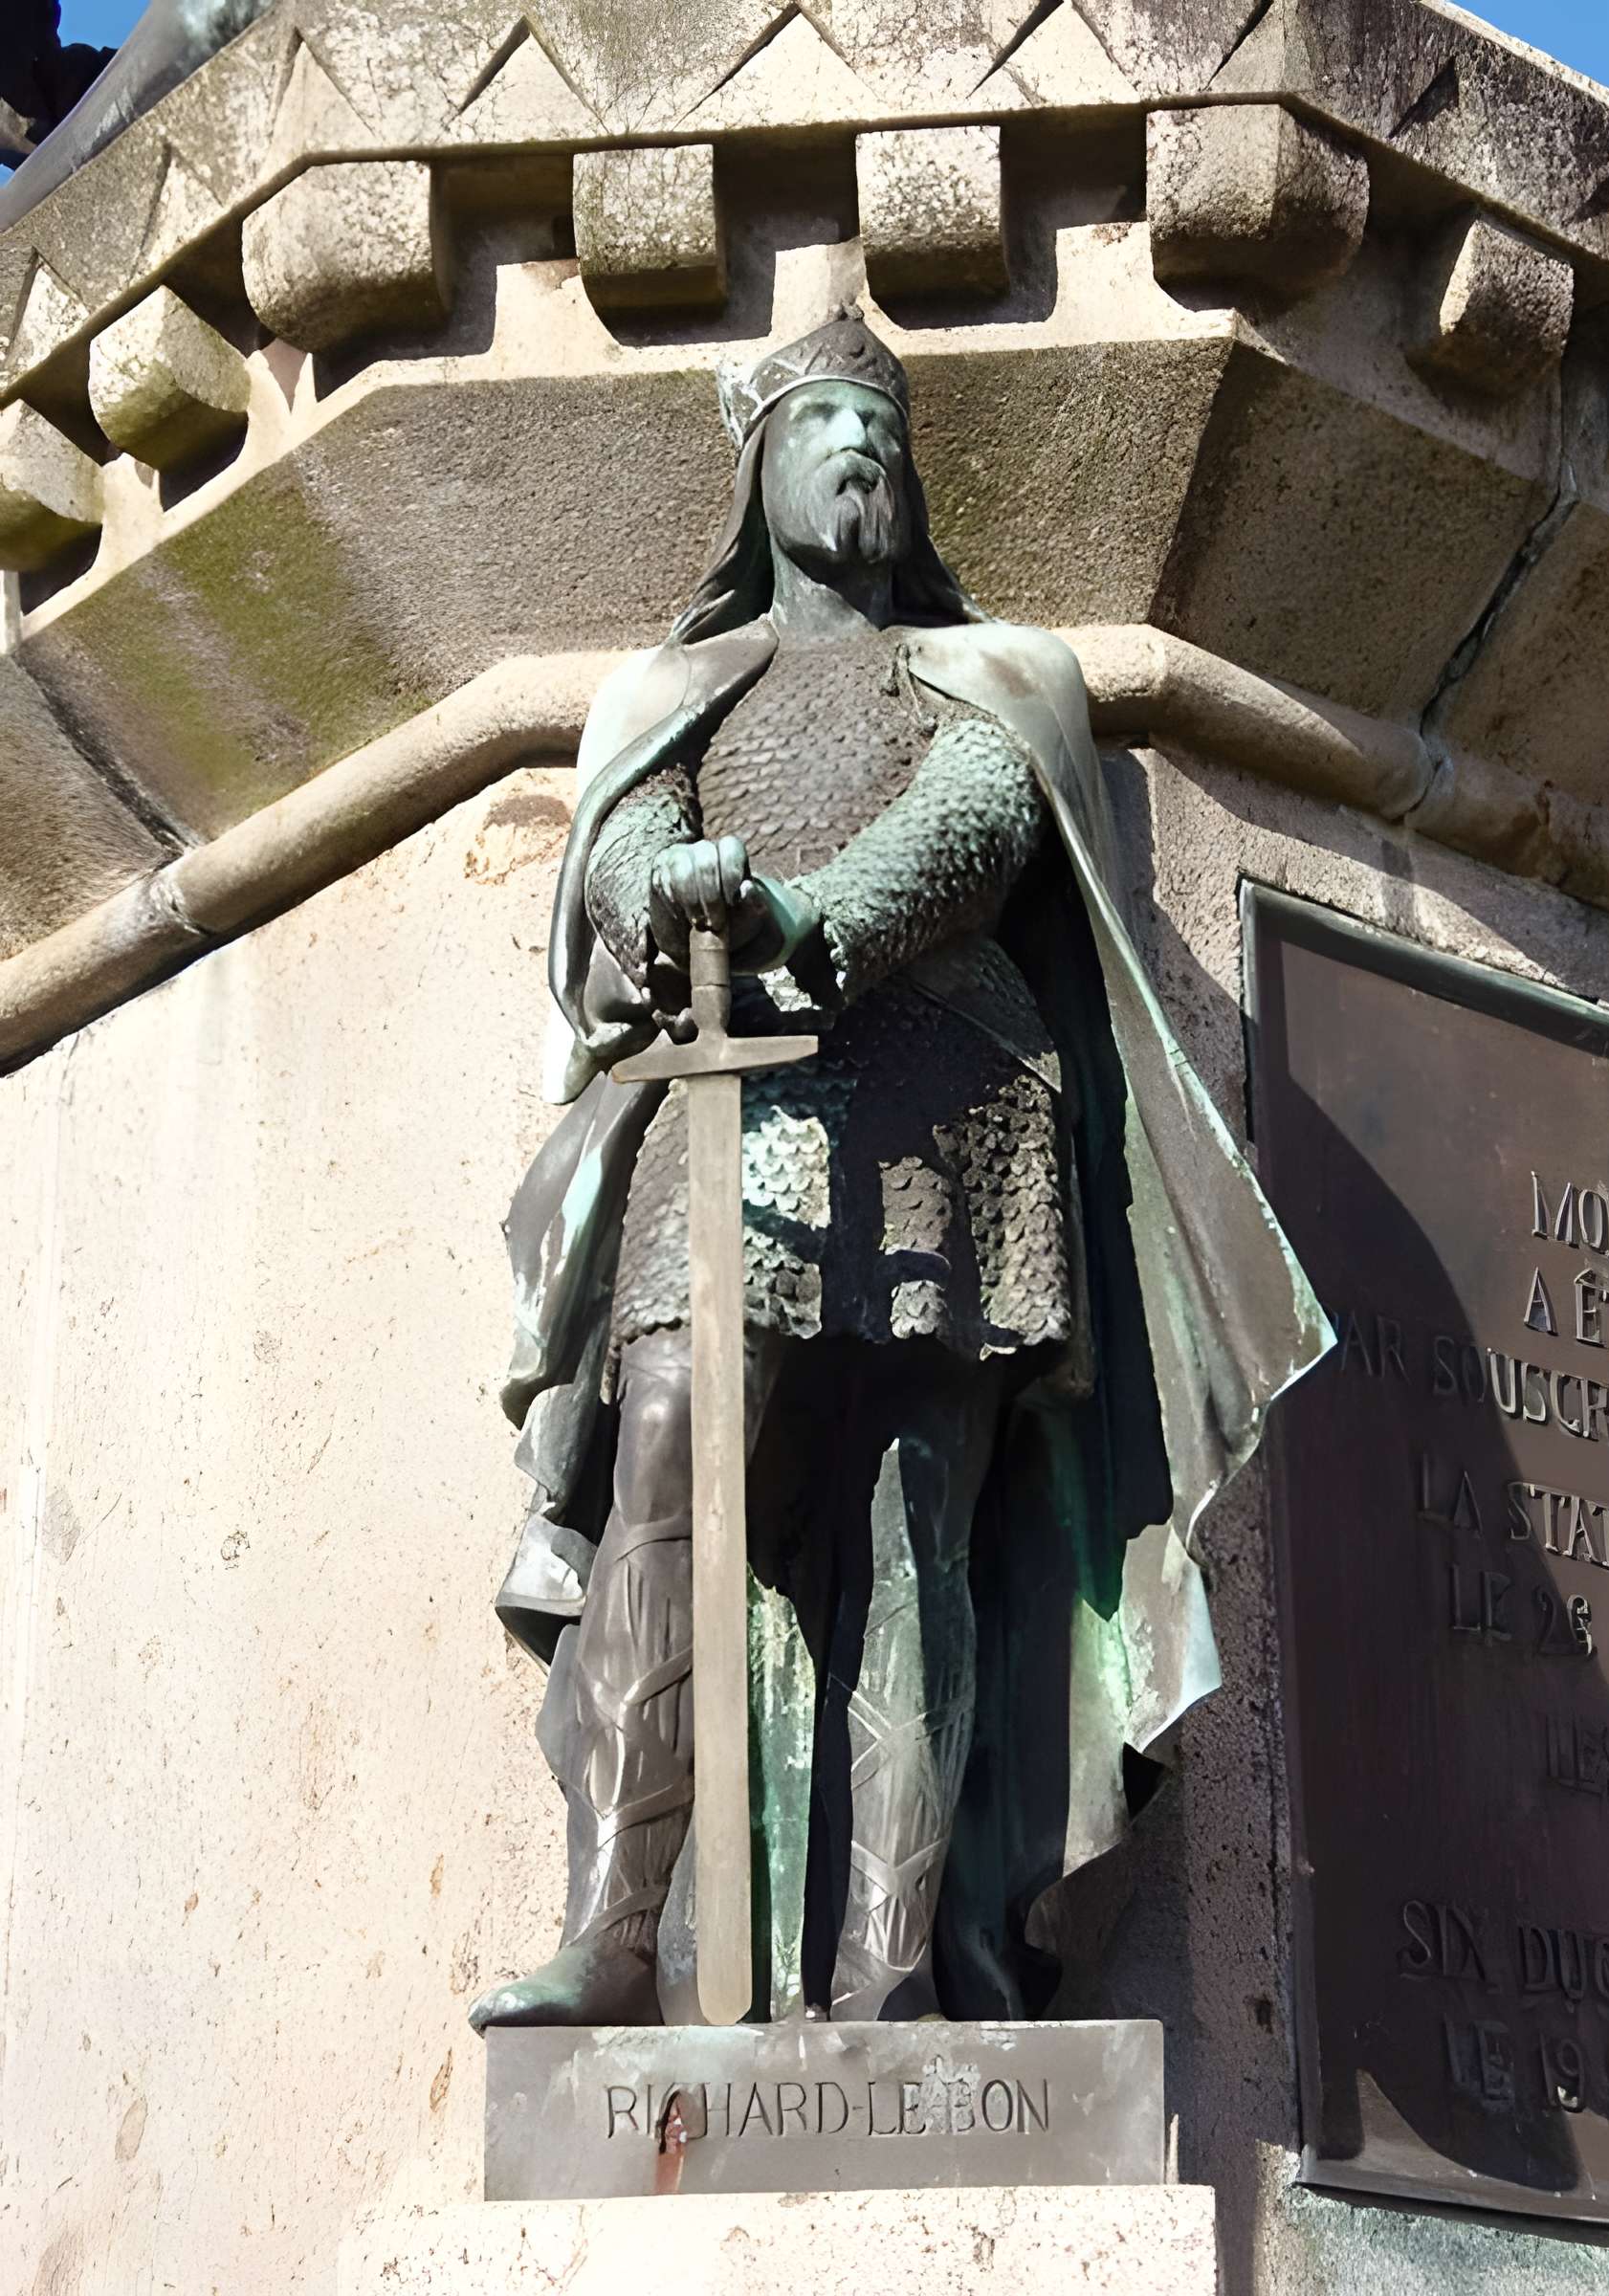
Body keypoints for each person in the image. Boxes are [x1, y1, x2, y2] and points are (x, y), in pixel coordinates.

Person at [471, 311, 1329, 2030]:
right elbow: (625, 841)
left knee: (913, 1519)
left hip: (956, 1102)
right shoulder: (682, 696)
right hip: (732, 1108)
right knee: (662, 1463)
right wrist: (665, 888)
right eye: (823, 430)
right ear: (761, 472)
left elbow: (973, 824)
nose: (859, 453)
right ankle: (617, 1925)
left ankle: (889, 1968)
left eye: (883, 430)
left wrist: (811, 917)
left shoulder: (1001, 673)